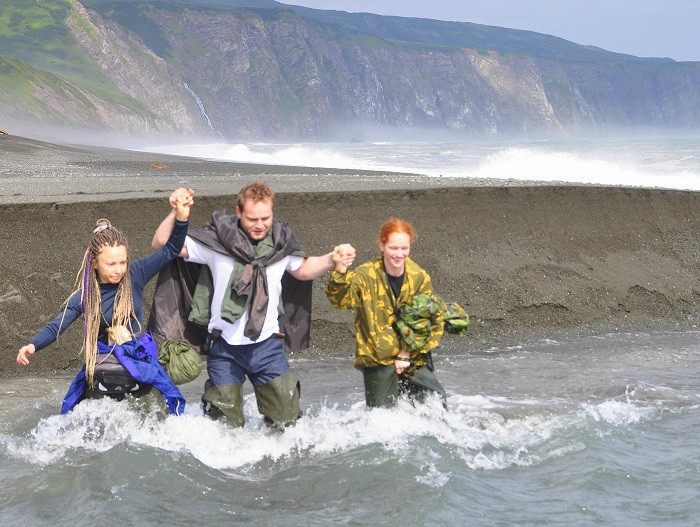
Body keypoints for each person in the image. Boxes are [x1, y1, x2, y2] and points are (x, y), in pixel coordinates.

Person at [150, 181, 355, 428]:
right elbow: (162, 244)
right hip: (224, 347)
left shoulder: (281, 243)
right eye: (252, 219)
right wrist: (175, 212)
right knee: (224, 426)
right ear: (238, 213)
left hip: (267, 344)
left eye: (265, 218)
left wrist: (333, 258)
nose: (259, 225)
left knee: (286, 421)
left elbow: (303, 270)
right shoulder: (216, 243)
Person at [16, 189, 193, 415]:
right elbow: (57, 325)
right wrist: (32, 346)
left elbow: (171, 250)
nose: (119, 269)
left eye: (122, 262)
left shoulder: (135, 274)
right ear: (95, 263)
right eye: (111, 264)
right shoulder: (85, 295)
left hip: (140, 365)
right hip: (104, 369)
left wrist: (181, 216)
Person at [325, 218, 447, 408]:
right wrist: (341, 270)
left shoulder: (419, 277)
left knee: (436, 402)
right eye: (393, 248)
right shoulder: (366, 274)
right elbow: (341, 301)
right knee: (382, 419)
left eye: (404, 248)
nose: (399, 254)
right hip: (377, 360)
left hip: (412, 357)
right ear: (382, 246)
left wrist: (405, 353)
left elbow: (428, 319)